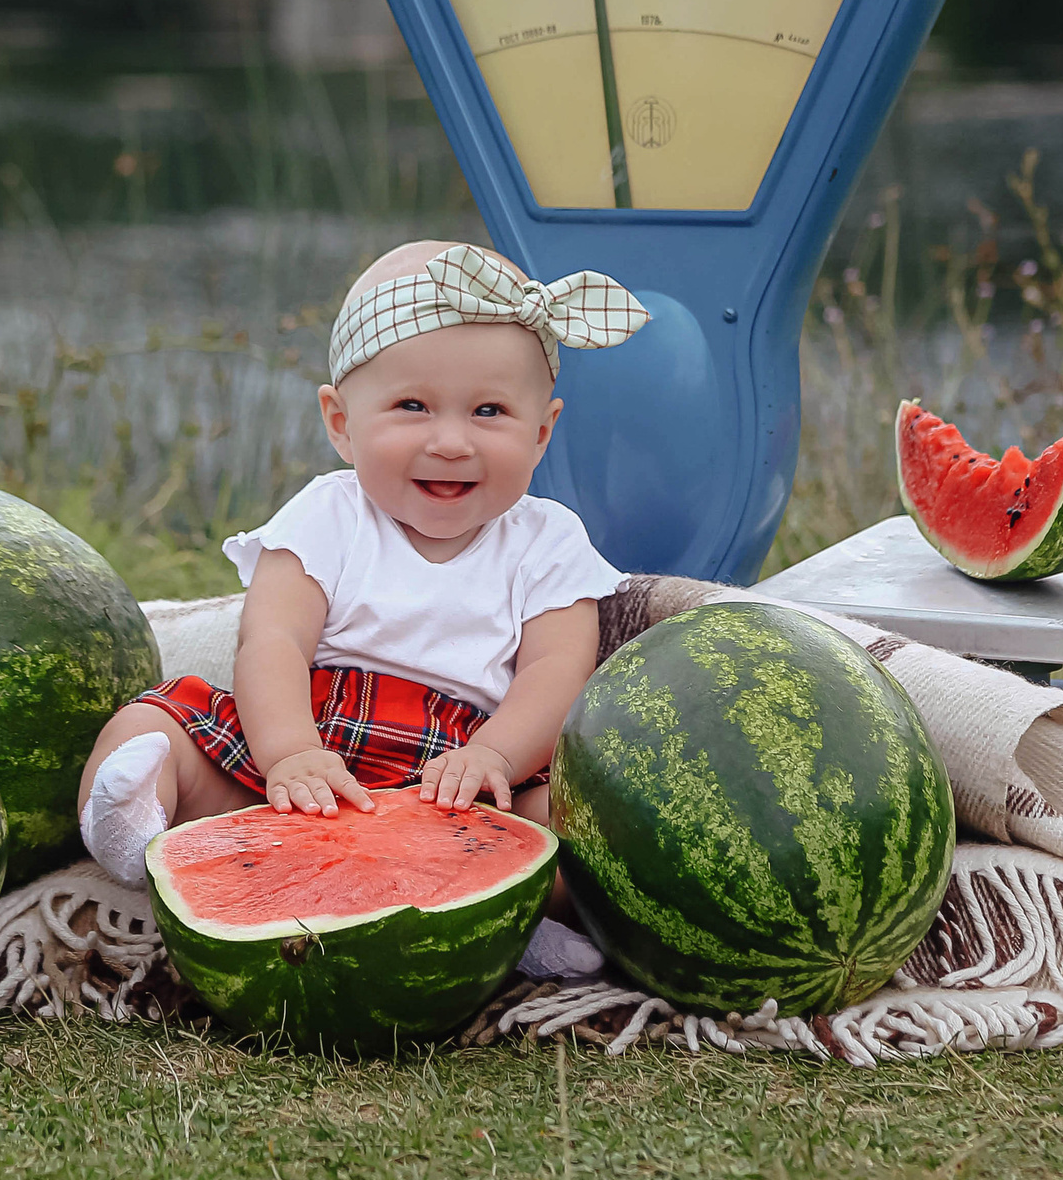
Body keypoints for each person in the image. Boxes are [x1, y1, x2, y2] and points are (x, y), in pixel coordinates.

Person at [73, 241, 644, 974]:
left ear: (542, 430)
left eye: (489, 411)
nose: (450, 440)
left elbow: (558, 671)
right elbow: (272, 639)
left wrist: (497, 754)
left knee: (581, 824)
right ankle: (128, 834)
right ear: (340, 420)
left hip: (463, 778)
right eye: (412, 405)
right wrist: (289, 750)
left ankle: (506, 912)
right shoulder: (327, 514)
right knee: (148, 725)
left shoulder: (549, 538)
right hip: (311, 750)